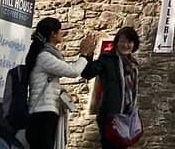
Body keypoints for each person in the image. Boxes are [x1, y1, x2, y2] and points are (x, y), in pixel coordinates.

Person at [24, 17, 96, 149]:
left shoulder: (44, 55)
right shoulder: (44, 57)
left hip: (44, 113)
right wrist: (84, 55)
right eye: (60, 31)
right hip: (42, 114)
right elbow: (73, 71)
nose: (62, 34)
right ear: (53, 34)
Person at [81, 25, 141, 149]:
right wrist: (87, 56)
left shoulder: (133, 65)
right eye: (122, 41)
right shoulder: (107, 59)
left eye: (129, 42)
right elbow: (87, 73)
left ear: (134, 44)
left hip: (127, 115)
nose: (125, 45)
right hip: (110, 115)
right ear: (117, 42)